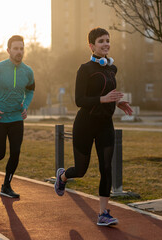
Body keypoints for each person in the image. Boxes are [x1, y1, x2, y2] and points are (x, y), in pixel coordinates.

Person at [54, 27, 133, 226]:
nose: (106, 44)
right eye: (101, 41)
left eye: (108, 40)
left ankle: (103, 213)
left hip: (105, 124)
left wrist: (116, 102)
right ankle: (62, 176)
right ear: (91, 46)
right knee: (81, 170)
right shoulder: (85, 69)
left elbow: (108, 92)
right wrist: (103, 99)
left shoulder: (112, 68)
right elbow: (79, 100)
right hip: (85, 124)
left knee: (106, 168)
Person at [0, 35, 35, 198]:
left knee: (15, 152)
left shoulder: (28, 71)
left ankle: (6, 186)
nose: (19, 52)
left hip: (17, 118)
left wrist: (25, 105)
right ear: (8, 50)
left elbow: (30, 90)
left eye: (21, 48)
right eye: (16, 48)